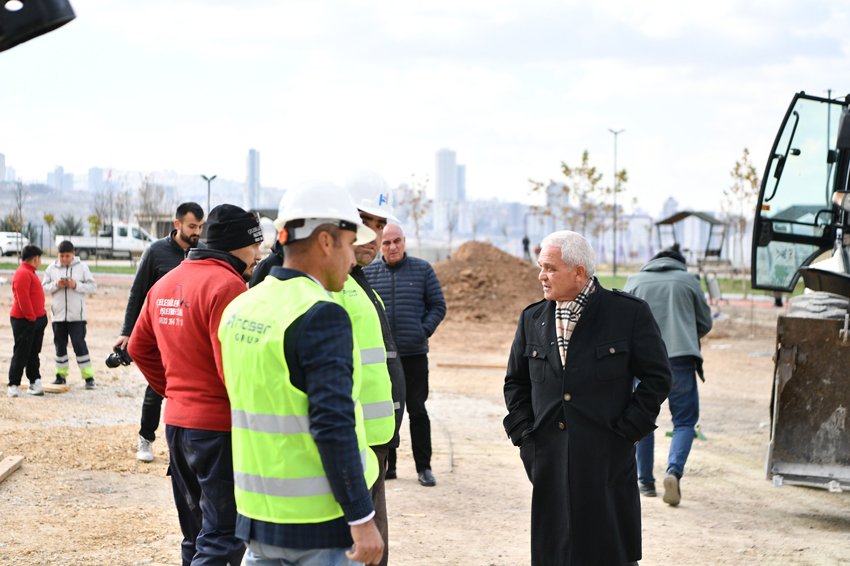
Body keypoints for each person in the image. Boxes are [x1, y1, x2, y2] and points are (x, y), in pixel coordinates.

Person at [219, 181, 383, 566]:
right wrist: (361, 516)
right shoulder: (320, 314)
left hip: (257, 519)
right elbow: (333, 425)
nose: (352, 258)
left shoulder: (241, 309)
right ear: (326, 241)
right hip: (318, 526)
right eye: (349, 244)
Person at [503, 230, 671, 565]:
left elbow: (658, 377)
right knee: (556, 553)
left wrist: (628, 432)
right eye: (541, 267)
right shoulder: (532, 319)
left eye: (550, 268)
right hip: (549, 461)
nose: (541, 276)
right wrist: (526, 439)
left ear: (579, 272)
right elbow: (515, 383)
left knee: (609, 553)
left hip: (606, 461)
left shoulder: (628, 314)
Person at [128, 204, 263, 565]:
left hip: (177, 424)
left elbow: (138, 346)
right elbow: (230, 368)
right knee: (222, 538)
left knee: (195, 534)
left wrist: (172, 391)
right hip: (217, 429)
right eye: (255, 245)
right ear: (236, 245)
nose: (258, 255)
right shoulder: (229, 286)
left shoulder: (165, 283)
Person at [332, 172, 405, 566]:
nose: (374, 235)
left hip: (374, 445)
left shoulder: (360, 285)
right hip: (351, 448)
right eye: (364, 221)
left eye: (379, 224)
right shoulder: (328, 285)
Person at [113, 202, 205, 463]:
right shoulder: (156, 252)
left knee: (191, 390)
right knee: (156, 388)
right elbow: (137, 292)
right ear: (177, 224)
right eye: (192, 226)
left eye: (200, 227)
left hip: (189, 335)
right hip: (160, 333)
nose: (197, 232)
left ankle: (186, 446)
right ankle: (146, 437)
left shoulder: (203, 252)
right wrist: (127, 331)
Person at [624, 246, 712, 506]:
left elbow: (622, 324)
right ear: (680, 263)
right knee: (684, 421)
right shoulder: (689, 281)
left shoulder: (635, 281)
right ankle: (673, 471)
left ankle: (645, 481)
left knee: (643, 417)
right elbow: (705, 323)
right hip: (680, 358)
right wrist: (686, 331)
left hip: (642, 361)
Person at [364, 223, 446, 487]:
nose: (392, 247)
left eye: (397, 241)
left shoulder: (422, 270)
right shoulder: (368, 273)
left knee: (417, 410)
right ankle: (389, 466)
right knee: (386, 411)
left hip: (414, 355)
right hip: (382, 359)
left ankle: (424, 467)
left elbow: (438, 306)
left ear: (404, 241)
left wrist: (422, 331)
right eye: (387, 243)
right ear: (380, 245)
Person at [41, 240, 98, 389]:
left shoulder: (82, 267)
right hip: (58, 316)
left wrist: (76, 285)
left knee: (79, 344)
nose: (64, 259)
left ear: (73, 254)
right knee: (59, 345)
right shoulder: (51, 268)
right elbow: (43, 288)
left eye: (67, 256)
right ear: (57, 254)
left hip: (77, 317)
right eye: (61, 256)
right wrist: (56, 285)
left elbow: (93, 287)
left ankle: (89, 378)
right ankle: (60, 376)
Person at [8, 244, 47, 398]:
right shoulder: (23, 273)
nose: (40, 261)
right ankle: (13, 385)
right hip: (24, 320)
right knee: (21, 353)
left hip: (35, 320)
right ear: (35, 259)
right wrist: (31, 318)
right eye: (40, 258)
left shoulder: (30, 272)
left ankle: (35, 381)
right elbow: (22, 298)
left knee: (33, 352)